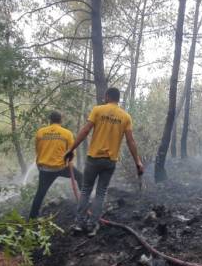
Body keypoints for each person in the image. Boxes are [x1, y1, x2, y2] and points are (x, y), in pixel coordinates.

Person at [64, 87, 144, 236]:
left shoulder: (98, 110)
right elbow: (131, 141)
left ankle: (79, 224)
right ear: (118, 99)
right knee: (101, 193)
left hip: (93, 159)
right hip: (109, 162)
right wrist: (138, 162)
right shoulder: (125, 117)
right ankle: (93, 225)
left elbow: (86, 130)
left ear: (107, 96)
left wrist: (71, 149)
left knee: (86, 190)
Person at [28, 111, 83, 219]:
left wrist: (40, 166)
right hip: (61, 167)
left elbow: (38, 150)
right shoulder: (67, 133)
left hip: (45, 169)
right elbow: (71, 152)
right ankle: (84, 202)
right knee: (81, 177)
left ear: (50, 120)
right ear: (61, 120)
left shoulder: (40, 132)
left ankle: (32, 218)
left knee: (40, 193)